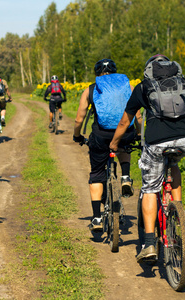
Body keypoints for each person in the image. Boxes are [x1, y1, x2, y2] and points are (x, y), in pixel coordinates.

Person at [109, 54, 185, 262]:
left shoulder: (142, 87)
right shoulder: (182, 83)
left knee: (150, 187)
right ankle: (177, 210)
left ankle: (149, 243)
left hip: (157, 142)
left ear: (149, 69)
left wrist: (114, 143)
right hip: (184, 139)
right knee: (173, 163)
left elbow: (125, 121)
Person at [73, 59, 142, 231]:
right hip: (125, 133)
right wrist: (139, 134)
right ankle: (125, 176)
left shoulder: (90, 89)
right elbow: (138, 116)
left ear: (97, 73)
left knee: (97, 173)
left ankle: (96, 218)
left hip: (101, 136)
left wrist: (77, 136)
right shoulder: (129, 87)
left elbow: (79, 118)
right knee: (124, 145)